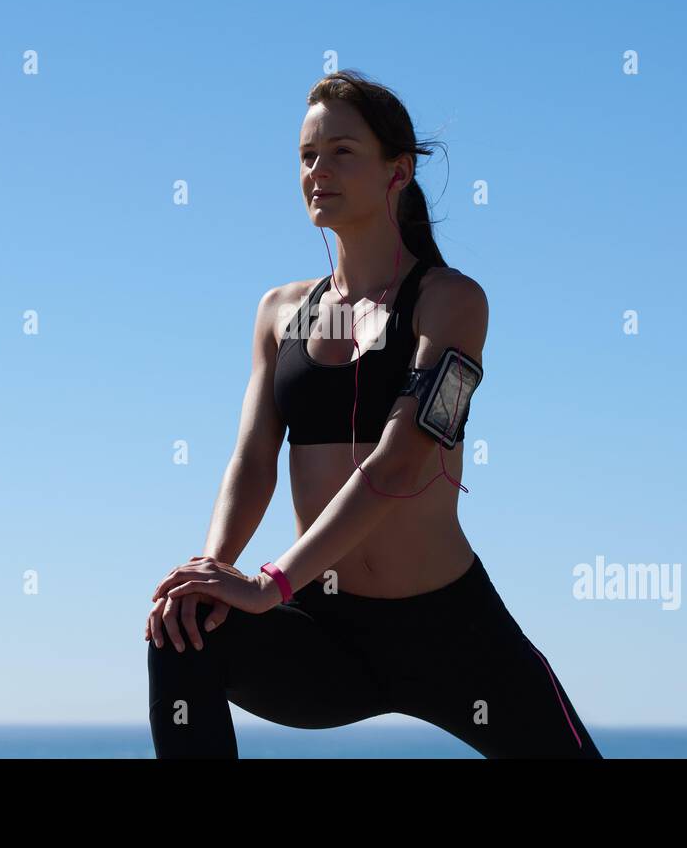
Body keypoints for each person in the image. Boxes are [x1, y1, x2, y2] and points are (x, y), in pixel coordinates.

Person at [145, 70, 603, 759]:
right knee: (180, 629)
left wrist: (269, 581)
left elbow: (397, 462)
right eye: (306, 156)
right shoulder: (279, 312)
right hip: (322, 632)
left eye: (341, 152)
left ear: (399, 169)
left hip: (450, 629)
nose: (317, 171)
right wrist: (215, 569)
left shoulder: (451, 303)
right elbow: (251, 459)